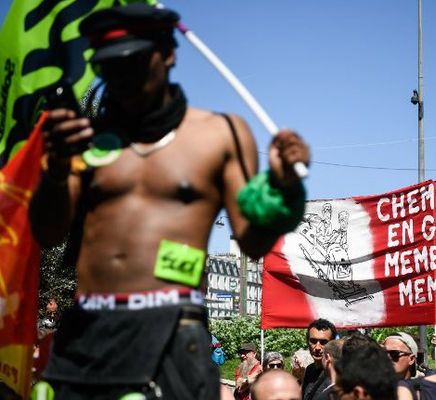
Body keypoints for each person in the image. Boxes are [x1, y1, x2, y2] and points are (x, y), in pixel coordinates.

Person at [28, 3, 310, 399]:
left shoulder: (220, 134)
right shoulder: (85, 139)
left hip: (173, 331)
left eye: (135, 63)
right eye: (111, 67)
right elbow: (46, 229)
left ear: (168, 54)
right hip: (89, 330)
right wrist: (55, 170)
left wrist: (283, 189)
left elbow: (253, 242)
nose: (123, 78)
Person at [303, 318, 338, 400]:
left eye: (323, 342)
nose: (317, 347)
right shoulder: (309, 370)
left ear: (332, 343)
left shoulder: (336, 373)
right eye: (313, 341)